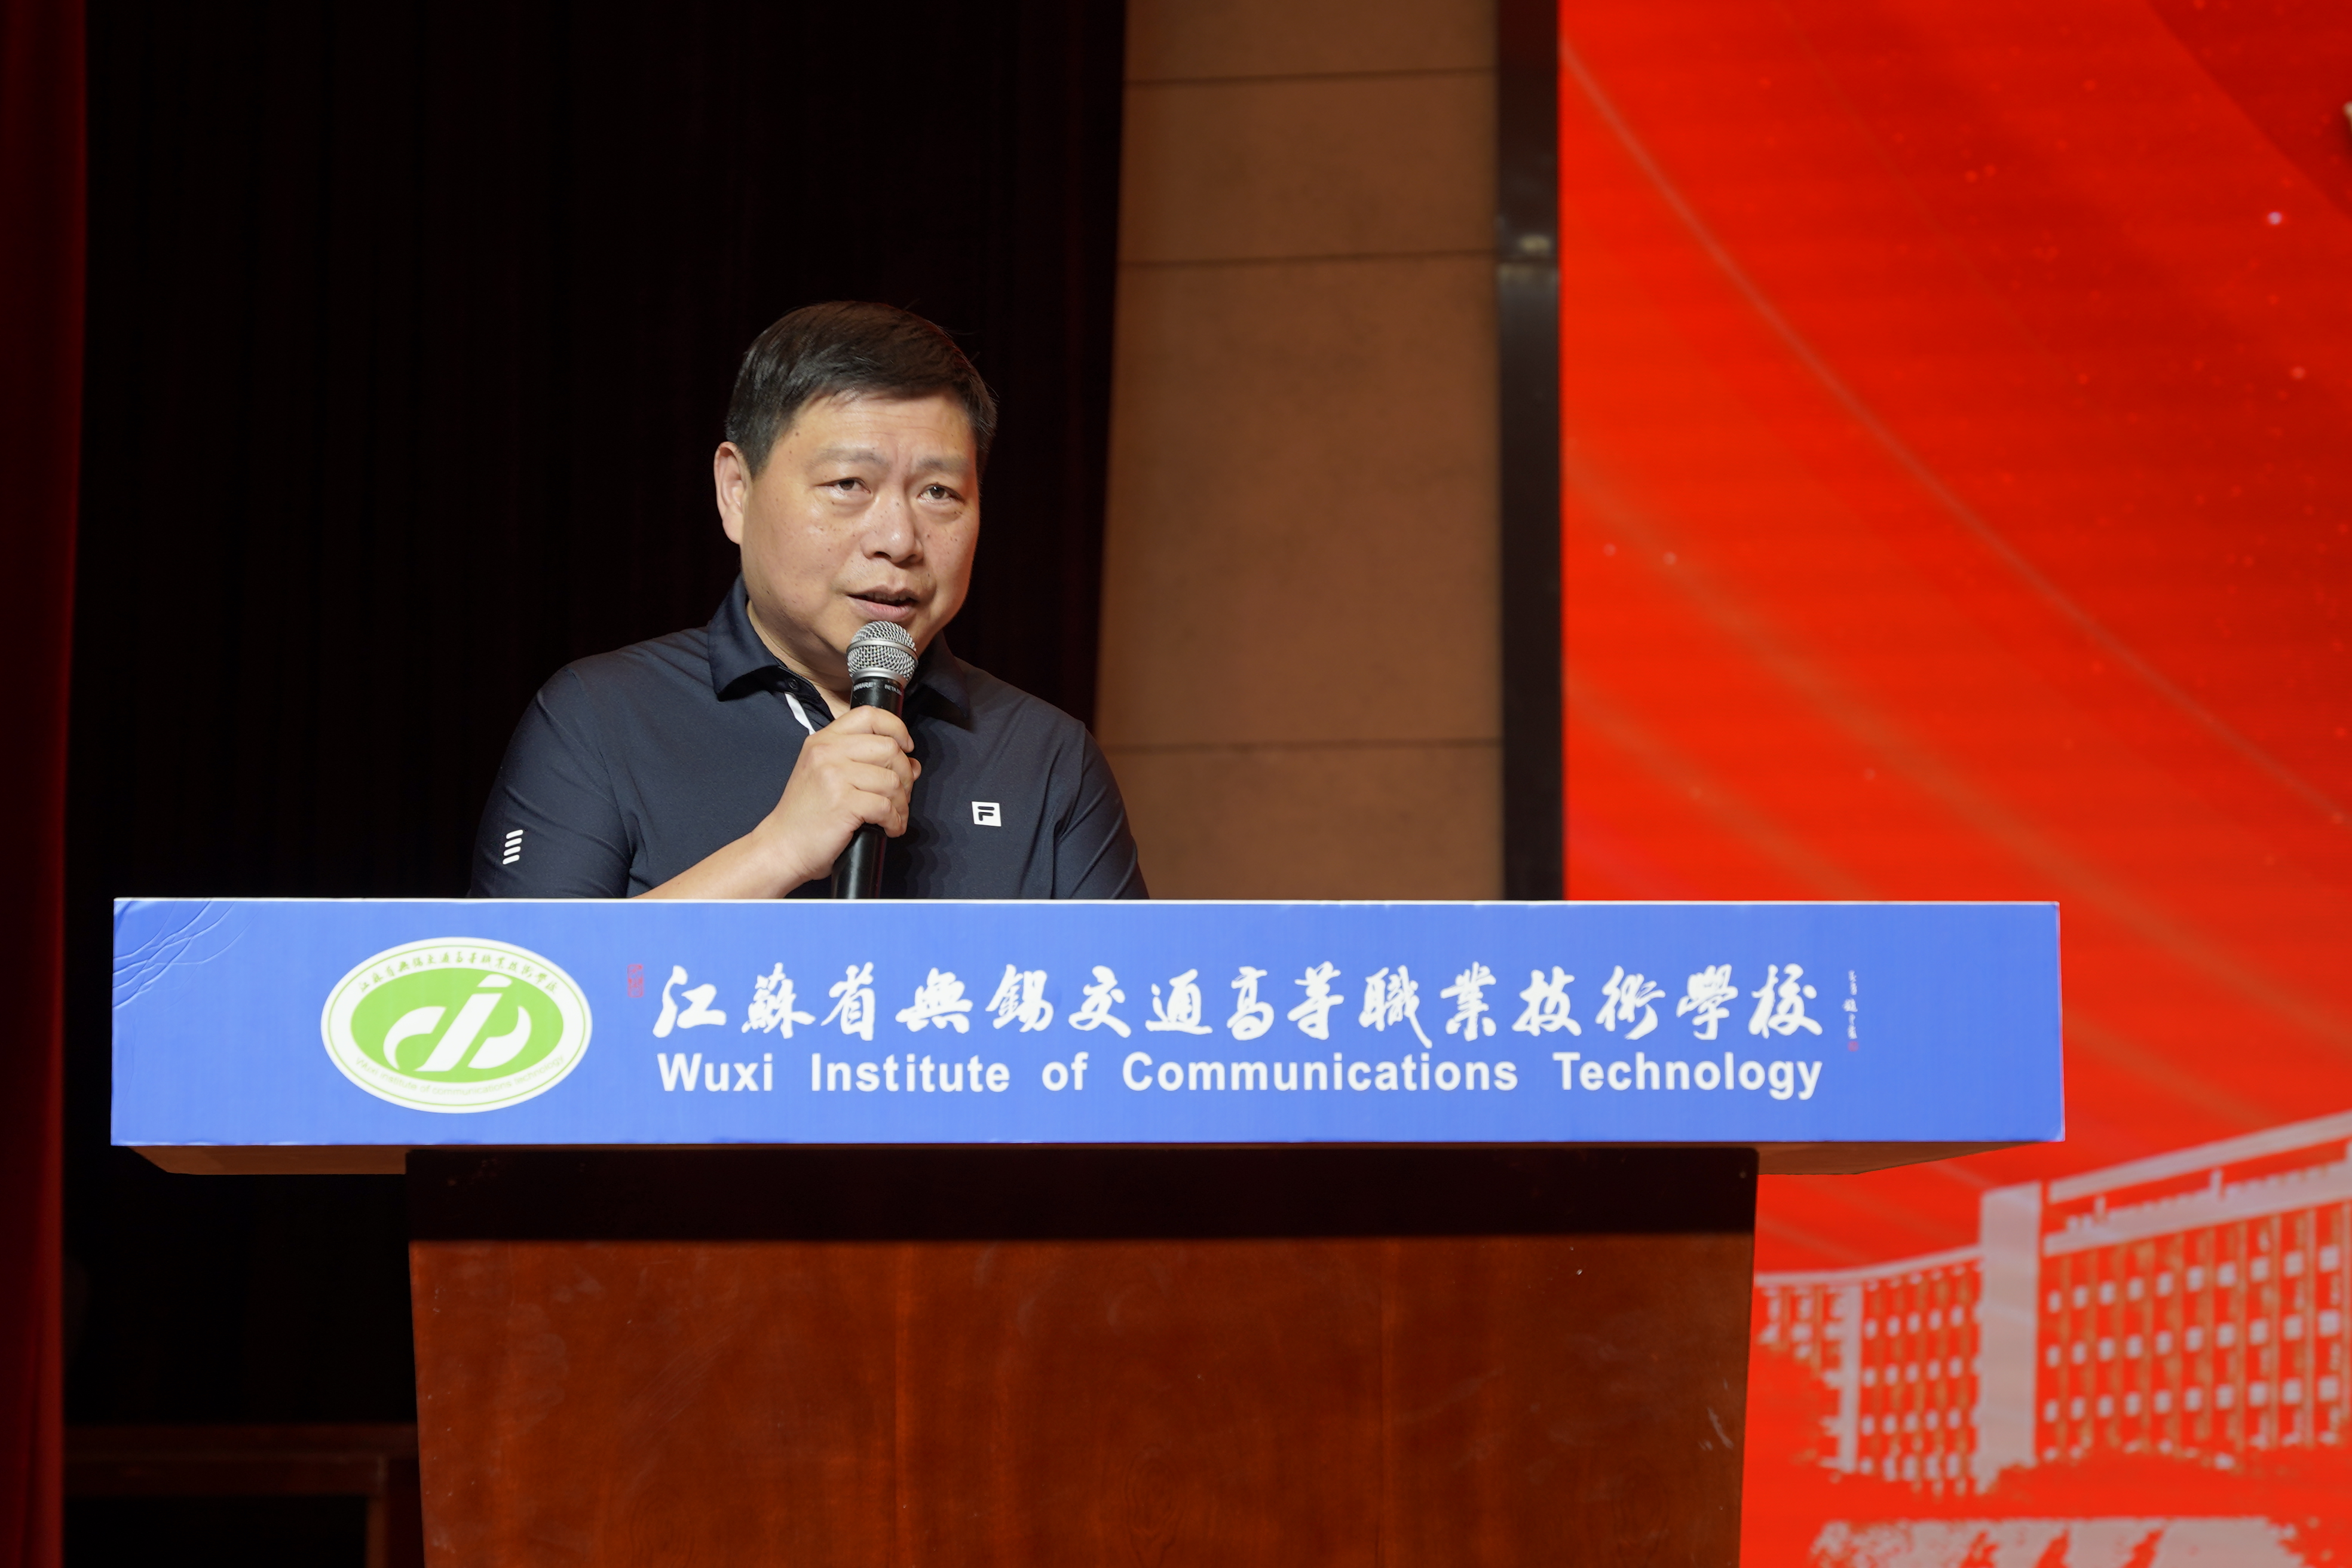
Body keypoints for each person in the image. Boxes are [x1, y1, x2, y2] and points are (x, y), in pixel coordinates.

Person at [468, 302, 1147, 900]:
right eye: (850, 484)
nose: (898, 540)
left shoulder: (1046, 757)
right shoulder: (601, 719)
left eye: (939, 492)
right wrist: (777, 852)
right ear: (737, 492)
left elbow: (1116, 999)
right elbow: (520, 991)